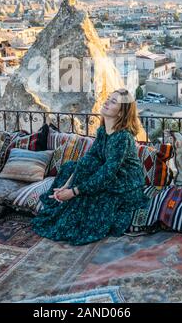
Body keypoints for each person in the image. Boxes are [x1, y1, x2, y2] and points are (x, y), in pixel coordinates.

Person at [31, 88, 149, 246]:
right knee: (70, 167)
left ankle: (67, 206)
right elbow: (88, 158)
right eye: (109, 98)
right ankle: (60, 197)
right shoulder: (103, 131)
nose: (107, 102)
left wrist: (74, 191)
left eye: (113, 102)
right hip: (109, 176)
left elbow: (107, 174)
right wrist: (67, 185)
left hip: (125, 183)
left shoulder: (122, 137)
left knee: (88, 194)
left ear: (121, 113)